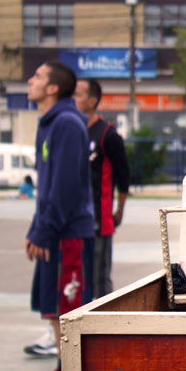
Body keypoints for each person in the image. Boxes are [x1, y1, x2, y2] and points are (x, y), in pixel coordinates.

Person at [22, 61, 95, 371]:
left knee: (69, 311)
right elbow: (47, 187)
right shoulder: (52, 123)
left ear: (53, 88)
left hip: (69, 234)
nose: (30, 81)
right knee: (54, 307)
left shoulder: (66, 124)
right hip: (55, 230)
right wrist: (38, 227)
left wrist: (45, 228)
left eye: (37, 77)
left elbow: (64, 187)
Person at [73, 78, 131, 301]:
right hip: (74, 221)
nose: (74, 99)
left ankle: (102, 327)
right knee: (76, 278)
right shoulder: (73, 132)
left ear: (92, 101)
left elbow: (123, 174)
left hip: (99, 219)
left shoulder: (107, 135)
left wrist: (119, 209)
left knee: (99, 279)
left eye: (78, 94)